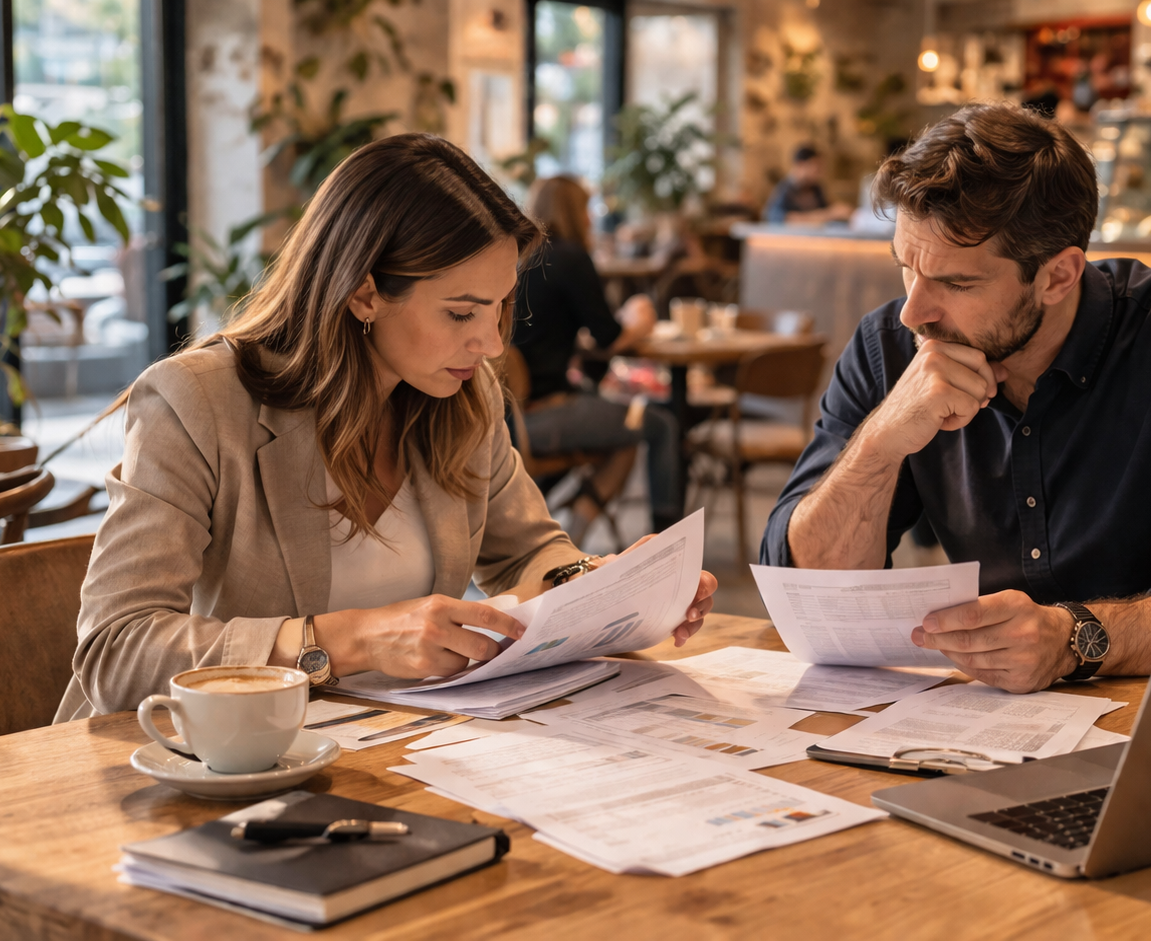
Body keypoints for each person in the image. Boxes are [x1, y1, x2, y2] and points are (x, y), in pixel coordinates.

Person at [55, 135, 717, 721]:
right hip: (208, 767)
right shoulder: (197, 402)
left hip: (386, 752)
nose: (490, 343)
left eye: (500, 307)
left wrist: (604, 587)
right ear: (364, 292)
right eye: (461, 312)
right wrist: (354, 640)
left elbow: (528, 552)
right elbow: (117, 650)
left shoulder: (459, 395)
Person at [762, 103, 1151, 694]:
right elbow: (808, 594)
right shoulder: (890, 346)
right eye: (906, 267)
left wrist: (1074, 639)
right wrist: (879, 445)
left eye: (958, 284)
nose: (914, 312)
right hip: (986, 724)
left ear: (1058, 276)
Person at [514, 175, 685, 533]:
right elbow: (608, 337)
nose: (592, 218)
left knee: (625, 432)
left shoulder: (518, 254)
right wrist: (640, 318)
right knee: (660, 425)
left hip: (506, 415)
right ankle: (668, 536)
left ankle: (574, 530)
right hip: (544, 413)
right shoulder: (570, 257)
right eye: (587, 209)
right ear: (575, 211)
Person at [764, 145, 852, 225]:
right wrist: (828, 215)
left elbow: (825, 209)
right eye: (816, 167)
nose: (820, 172)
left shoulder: (816, 189)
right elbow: (776, 217)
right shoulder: (784, 190)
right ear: (801, 164)